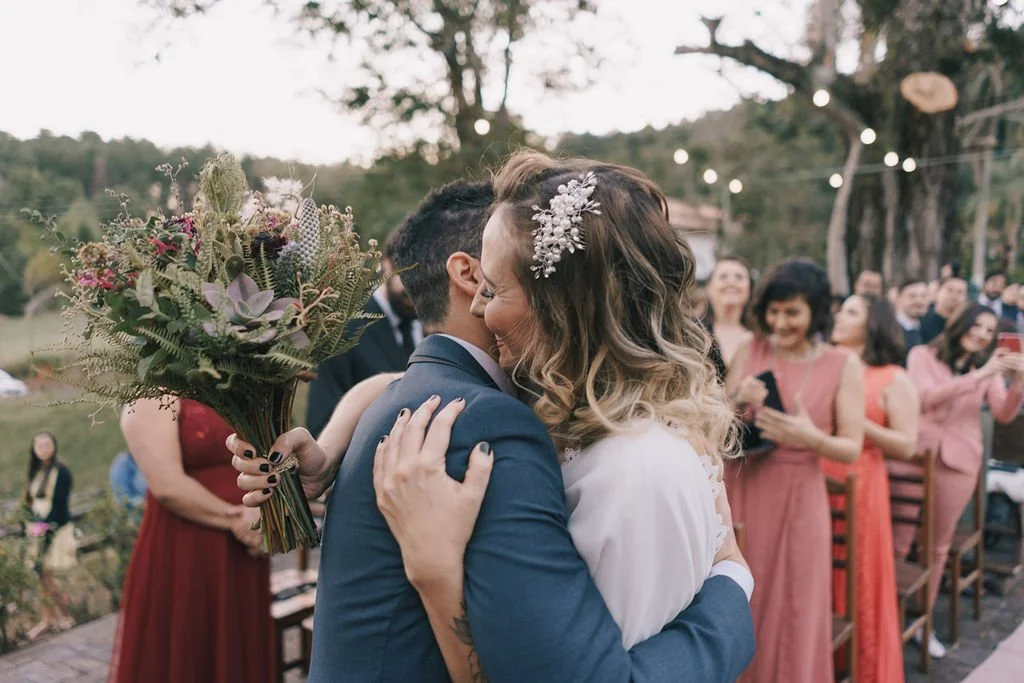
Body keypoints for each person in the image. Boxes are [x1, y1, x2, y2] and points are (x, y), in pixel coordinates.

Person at [231, 171, 756, 682]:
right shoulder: (482, 421)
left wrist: (733, 570)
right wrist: (732, 584)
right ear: (464, 274)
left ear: (559, 299)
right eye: (484, 285)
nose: (483, 303)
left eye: (496, 285)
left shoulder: (449, 407)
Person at [724, 259, 865, 683]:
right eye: (773, 311)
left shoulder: (843, 364)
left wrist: (811, 437)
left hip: (801, 497)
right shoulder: (750, 349)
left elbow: (851, 448)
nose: (779, 323)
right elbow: (712, 422)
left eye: (792, 313)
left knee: (796, 607)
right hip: (746, 488)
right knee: (742, 600)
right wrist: (735, 398)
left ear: (816, 312)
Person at [890, 304, 1024, 658]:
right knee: (898, 542)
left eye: (988, 329)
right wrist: (980, 374)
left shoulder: (990, 369)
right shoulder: (922, 354)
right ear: (960, 323)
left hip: (959, 463)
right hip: (914, 456)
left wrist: (1018, 383)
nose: (981, 333)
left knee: (936, 546)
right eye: (976, 325)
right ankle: (887, 618)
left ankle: (921, 621)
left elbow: (1003, 413)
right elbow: (924, 400)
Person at [109, 398, 272, 683]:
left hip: (243, 546)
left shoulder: (228, 381)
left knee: (240, 644)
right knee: (193, 648)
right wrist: (234, 518)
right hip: (189, 546)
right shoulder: (152, 396)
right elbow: (167, 485)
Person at [829, 295, 918, 683]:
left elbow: (906, 444)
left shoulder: (893, 377)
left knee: (860, 581)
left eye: (851, 311)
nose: (838, 317)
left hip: (861, 485)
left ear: (872, 324)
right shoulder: (826, 365)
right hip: (818, 482)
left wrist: (854, 420)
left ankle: (864, 668)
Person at [305, 232, 421, 438]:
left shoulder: (423, 322)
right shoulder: (343, 327)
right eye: (409, 277)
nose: (416, 295)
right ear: (388, 265)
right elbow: (320, 424)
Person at [23, 431, 75, 640]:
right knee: (42, 576)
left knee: (49, 575)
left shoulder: (62, 472)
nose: (43, 448)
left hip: (55, 528)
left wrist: (46, 528)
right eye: (39, 445)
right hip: (37, 529)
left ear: (54, 445)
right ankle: (48, 618)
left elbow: (60, 505)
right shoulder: (35, 472)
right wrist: (28, 523)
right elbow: (29, 502)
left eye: (47, 444)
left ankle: (65, 615)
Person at [703, 257, 754, 370]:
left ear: (749, 289)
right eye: (723, 276)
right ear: (709, 288)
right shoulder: (692, 332)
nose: (731, 282)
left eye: (739, 277)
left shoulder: (760, 335)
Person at [920, 276, 967, 344]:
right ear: (937, 292)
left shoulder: (965, 324)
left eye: (960, 292)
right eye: (950, 290)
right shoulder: (921, 320)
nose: (954, 295)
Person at [895, 278, 929, 358]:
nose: (919, 301)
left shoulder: (928, 326)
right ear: (899, 299)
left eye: (923, 296)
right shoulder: (891, 330)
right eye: (912, 296)